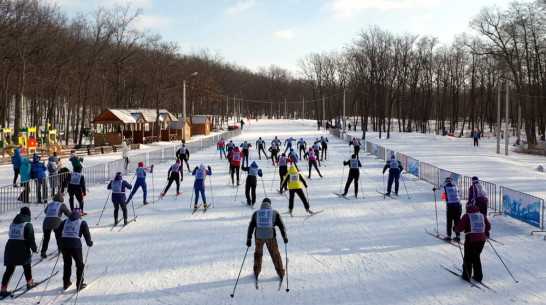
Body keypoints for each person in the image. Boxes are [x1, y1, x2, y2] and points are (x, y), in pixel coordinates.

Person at [246, 198, 287, 282]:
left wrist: (249, 239)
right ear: (270, 204)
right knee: (275, 254)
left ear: (262, 204)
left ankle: (257, 271)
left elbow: (251, 226)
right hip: (270, 236)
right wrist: (284, 237)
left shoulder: (256, 213)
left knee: (258, 253)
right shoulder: (274, 213)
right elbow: (281, 226)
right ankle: (280, 272)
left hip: (259, 236)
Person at [0, 207, 38, 296]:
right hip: (22, 247)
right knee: (26, 266)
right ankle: (29, 283)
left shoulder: (12, 223)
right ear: (29, 214)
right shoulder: (28, 224)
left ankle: (3, 288)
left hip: (10, 246)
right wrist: (34, 249)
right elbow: (30, 238)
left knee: (9, 269)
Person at [55, 209, 93, 291]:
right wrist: (89, 243)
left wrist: (60, 242)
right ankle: (79, 284)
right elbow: (86, 234)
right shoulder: (82, 222)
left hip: (64, 244)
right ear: (80, 215)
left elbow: (58, 232)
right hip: (75, 245)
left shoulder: (65, 221)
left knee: (67, 264)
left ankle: (66, 283)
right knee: (79, 264)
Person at [454, 201, 491, 282]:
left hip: (471, 239)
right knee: (476, 257)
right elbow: (488, 226)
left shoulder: (467, 216)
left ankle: (466, 276)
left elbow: (460, 227)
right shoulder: (482, 215)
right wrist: (483, 232)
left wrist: (455, 229)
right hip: (481, 239)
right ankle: (478, 276)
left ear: (467, 208)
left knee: (468, 257)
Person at [41, 193, 71, 258]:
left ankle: (43, 251)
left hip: (46, 222)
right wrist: (75, 215)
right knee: (59, 237)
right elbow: (68, 213)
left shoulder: (50, 204)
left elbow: (46, 212)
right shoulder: (62, 205)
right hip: (56, 222)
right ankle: (60, 249)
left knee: (46, 238)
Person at [434, 177, 462, 242]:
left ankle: (449, 236)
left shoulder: (445, 187)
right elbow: (459, 193)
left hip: (451, 206)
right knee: (457, 221)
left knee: (449, 222)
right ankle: (458, 236)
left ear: (446, 182)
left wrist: (435, 190)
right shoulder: (455, 187)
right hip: (458, 206)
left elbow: (438, 194)